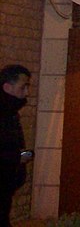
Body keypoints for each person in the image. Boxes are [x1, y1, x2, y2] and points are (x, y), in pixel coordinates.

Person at [1, 65, 32, 227]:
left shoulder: (11, 112)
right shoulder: (5, 113)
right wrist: (16, 157)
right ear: (7, 87)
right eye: (23, 87)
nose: (27, 93)